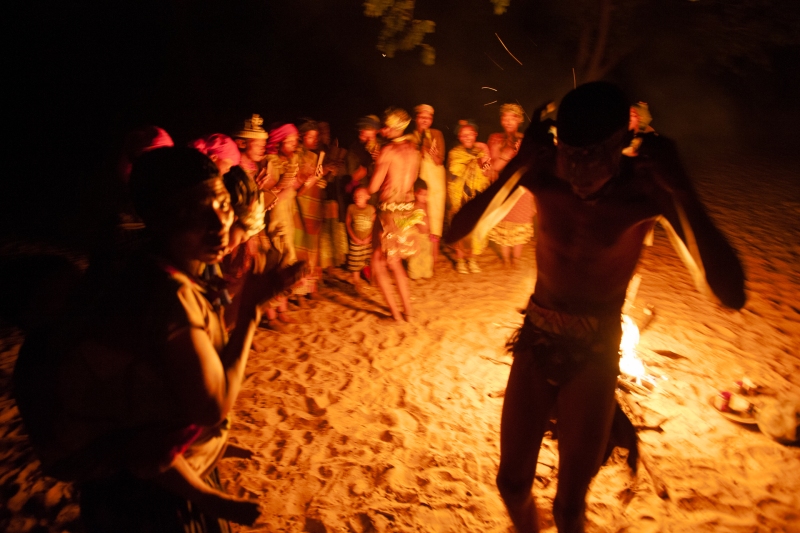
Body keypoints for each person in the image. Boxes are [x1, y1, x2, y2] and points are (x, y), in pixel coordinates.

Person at [447, 82, 745, 532]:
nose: (581, 174)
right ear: (558, 145)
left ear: (620, 146)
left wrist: (683, 189)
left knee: (569, 507)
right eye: (572, 156)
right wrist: (518, 169)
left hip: (596, 351)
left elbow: (730, 293)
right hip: (536, 336)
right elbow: (459, 234)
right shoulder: (544, 172)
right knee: (510, 483)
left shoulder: (645, 190)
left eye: (594, 159)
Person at [14, 147, 306, 531]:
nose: (218, 223)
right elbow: (211, 406)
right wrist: (252, 309)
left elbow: (198, 349)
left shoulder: (161, 269)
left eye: (221, 204)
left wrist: (256, 295)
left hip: (144, 486)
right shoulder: (167, 293)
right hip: (150, 503)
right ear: (159, 219)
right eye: (193, 212)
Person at [368, 108, 421, 322]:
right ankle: (407, 311)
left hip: (389, 211)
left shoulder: (388, 150)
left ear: (396, 127)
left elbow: (373, 187)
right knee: (395, 262)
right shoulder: (414, 149)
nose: (383, 130)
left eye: (387, 126)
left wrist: (376, 163)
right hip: (407, 209)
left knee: (378, 262)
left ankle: (396, 314)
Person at [487, 104, 537, 268]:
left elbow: (531, 165)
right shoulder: (495, 139)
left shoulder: (526, 139)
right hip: (504, 187)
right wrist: (508, 153)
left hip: (523, 188)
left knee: (520, 223)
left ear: (519, 120)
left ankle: (516, 259)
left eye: (512, 118)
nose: (508, 122)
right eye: (505, 118)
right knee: (504, 223)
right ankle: (506, 259)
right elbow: (494, 167)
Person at [446, 120, 493, 274]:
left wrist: (484, 154)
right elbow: (454, 173)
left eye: (470, 134)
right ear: (459, 137)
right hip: (460, 197)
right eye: (463, 135)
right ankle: (460, 260)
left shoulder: (482, 153)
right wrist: (475, 161)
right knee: (460, 227)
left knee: (477, 228)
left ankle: (472, 259)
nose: (467, 137)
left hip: (477, 195)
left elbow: (487, 172)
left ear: (475, 135)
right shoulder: (454, 154)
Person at [411, 104, 446, 269]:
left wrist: (430, 151)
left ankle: (434, 259)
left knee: (434, 217)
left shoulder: (437, 134)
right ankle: (416, 259)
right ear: (416, 118)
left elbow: (439, 160)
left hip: (435, 179)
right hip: (417, 179)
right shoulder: (410, 136)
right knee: (416, 215)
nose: (425, 120)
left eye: (429, 117)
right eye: (422, 116)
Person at [344, 187, 376, 293]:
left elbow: (375, 225)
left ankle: (371, 278)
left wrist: (369, 238)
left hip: (368, 241)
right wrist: (354, 238)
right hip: (355, 242)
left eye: (361, 196)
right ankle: (357, 282)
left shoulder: (371, 209)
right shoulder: (351, 208)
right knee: (355, 263)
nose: (357, 198)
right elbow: (348, 223)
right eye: (356, 196)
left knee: (369, 260)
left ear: (368, 197)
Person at [406, 179, 433, 280]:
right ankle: (414, 273)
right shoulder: (413, 206)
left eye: (426, 195)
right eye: (422, 195)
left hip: (426, 235)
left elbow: (428, 217)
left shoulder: (426, 205)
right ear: (415, 194)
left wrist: (430, 231)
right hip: (417, 235)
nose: (425, 197)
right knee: (415, 256)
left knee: (426, 255)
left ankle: (426, 272)